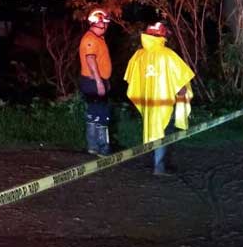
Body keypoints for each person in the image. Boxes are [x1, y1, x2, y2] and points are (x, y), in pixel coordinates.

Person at [124, 22, 195, 175]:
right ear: (161, 36)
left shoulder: (139, 55)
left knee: (151, 129)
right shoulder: (167, 55)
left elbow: (132, 79)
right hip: (164, 102)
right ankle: (160, 167)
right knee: (163, 132)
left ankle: (155, 162)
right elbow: (181, 82)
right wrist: (183, 94)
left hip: (149, 103)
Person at [79, 9, 113, 155]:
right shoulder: (90, 39)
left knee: (94, 114)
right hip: (93, 82)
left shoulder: (98, 38)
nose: (106, 26)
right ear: (97, 22)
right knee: (102, 114)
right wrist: (99, 82)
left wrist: (105, 80)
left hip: (95, 81)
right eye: (104, 22)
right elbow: (90, 59)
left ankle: (93, 147)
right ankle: (102, 147)